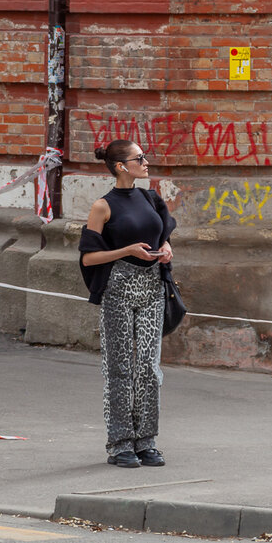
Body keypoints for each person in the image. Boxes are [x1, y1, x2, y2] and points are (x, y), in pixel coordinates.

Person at [78, 140, 175, 468]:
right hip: (117, 292)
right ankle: (120, 443)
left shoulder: (150, 197)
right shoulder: (102, 207)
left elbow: (163, 231)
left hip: (151, 290)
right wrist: (126, 251)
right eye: (139, 158)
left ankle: (146, 440)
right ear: (121, 166)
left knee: (148, 367)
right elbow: (89, 258)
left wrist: (166, 247)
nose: (146, 162)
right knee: (119, 369)